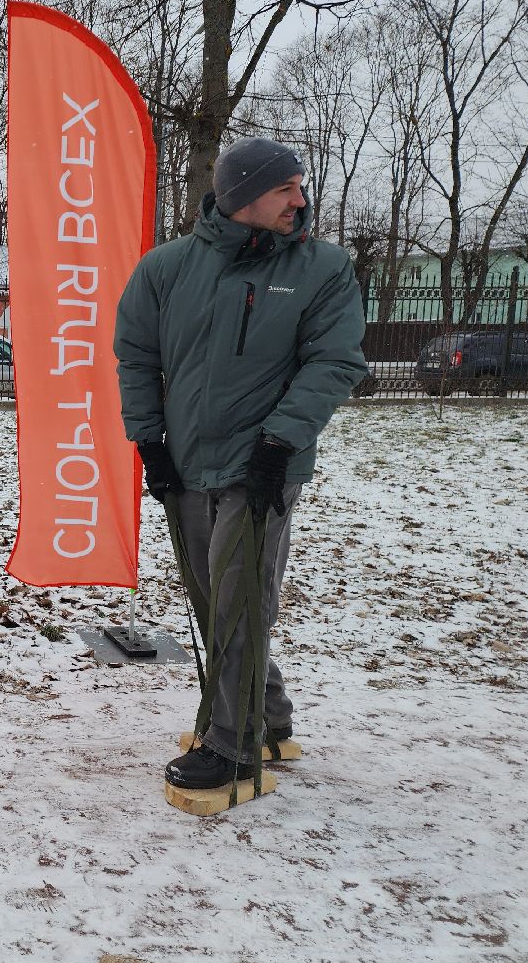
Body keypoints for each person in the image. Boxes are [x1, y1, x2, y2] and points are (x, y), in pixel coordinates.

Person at [114, 136, 367, 790]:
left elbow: (335, 361)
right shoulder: (165, 269)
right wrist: (150, 444)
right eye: (285, 188)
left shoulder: (323, 267)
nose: (300, 199)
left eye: (299, 186)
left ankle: (233, 748)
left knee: (238, 603)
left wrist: (279, 444)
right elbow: (137, 358)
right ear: (242, 195)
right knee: (215, 598)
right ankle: (271, 719)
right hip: (188, 464)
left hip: (263, 467)